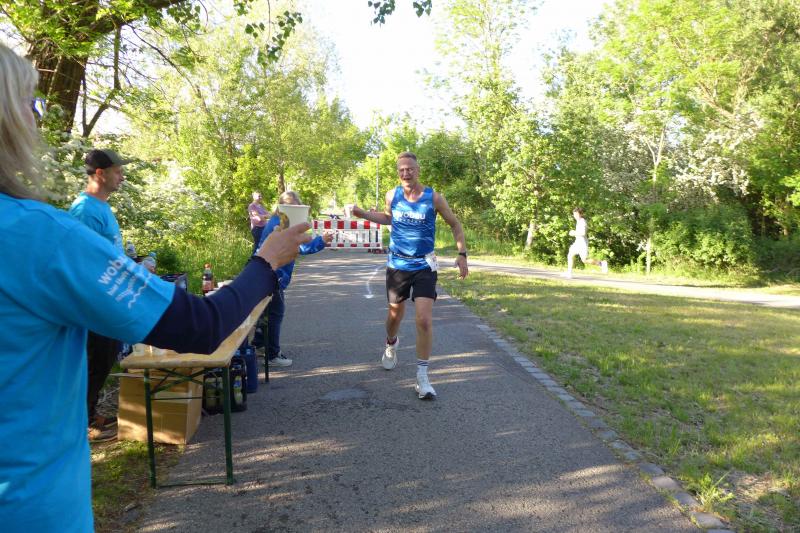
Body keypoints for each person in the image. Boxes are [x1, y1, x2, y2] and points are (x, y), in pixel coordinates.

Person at [0, 43, 312, 533]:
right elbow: (201, 326)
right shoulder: (38, 233)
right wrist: (266, 262)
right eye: (30, 104)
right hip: (30, 508)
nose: (37, 121)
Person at [349, 152, 468, 400]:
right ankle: (391, 342)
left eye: (410, 169)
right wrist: (362, 214)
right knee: (395, 315)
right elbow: (388, 218)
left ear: (418, 170)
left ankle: (422, 377)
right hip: (398, 264)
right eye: (402, 170)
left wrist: (462, 254)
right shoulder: (392, 195)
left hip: (425, 265)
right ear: (398, 172)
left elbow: (455, 224)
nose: (406, 173)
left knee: (424, 320)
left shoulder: (434, 198)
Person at [69, 148, 130, 442]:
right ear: (100, 173)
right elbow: (83, 261)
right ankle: (83, 422)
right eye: (118, 171)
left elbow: (108, 252)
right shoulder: (85, 210)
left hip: (108, 297)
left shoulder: (101, 207)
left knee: (104, 357)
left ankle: (89, 413)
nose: (122, 177)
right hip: (94, 301)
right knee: (96, 360)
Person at [253, 191, 333, 367]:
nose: (295, 209)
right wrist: (321, 241)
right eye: (293, 206)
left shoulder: (278, 220)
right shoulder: (282, 224)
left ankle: (259, 345)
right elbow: (300, 248)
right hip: (274, 274)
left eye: (297, 206)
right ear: (284, 207)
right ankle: (273, 355)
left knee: (265, 312)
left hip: (265, 271)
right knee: (275, 313)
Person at [564, 207, 608, 278]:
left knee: (584, 260)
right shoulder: (578, 221)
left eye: (576, 214)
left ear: (581, 214)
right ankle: (569, 273)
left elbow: (583, 233)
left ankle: (602, 263)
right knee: (570, 255)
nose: (575, 216)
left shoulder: (582, 221)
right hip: (577, 243)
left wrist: (574, 233)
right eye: (574, 214)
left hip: (582, 244)